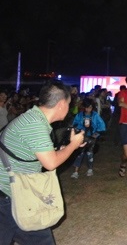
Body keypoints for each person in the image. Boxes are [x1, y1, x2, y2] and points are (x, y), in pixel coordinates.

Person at [0, 80, 85, 244]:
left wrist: (64, 149)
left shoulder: (33, 118)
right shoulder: (35, 125)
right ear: (61, 104)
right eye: (68, 104)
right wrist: (73, 145)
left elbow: (42, 154)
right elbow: (50, 163)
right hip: (12, 197)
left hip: (8, 192)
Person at [70, 98, 106, 178]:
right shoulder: (79, 115)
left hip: (91, 138)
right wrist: (78, 130)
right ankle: (76, 172)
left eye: (90, 107)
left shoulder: (95, 115)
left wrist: (95, 135)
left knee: (90, 153)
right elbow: (74, 124)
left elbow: (102, 126)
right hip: (82, 137)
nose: (88, 109)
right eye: (86, 107)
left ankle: (90, 169)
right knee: (80, 154)